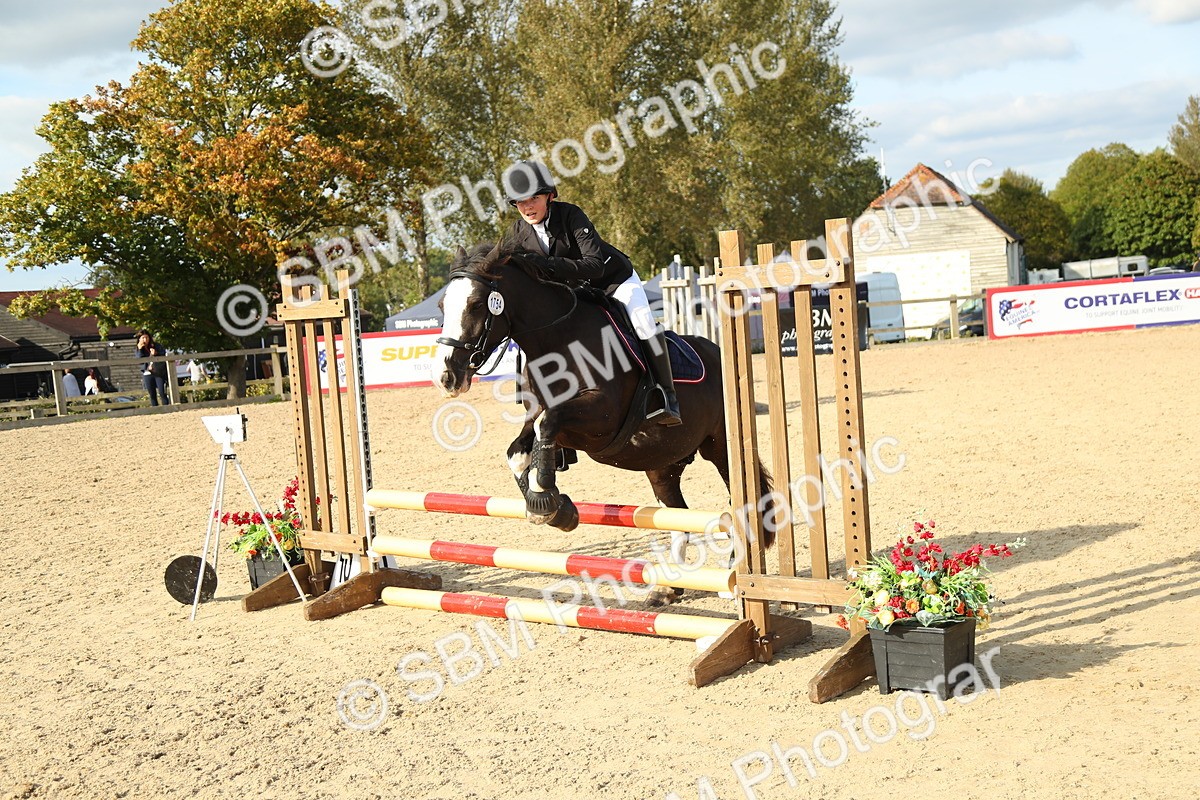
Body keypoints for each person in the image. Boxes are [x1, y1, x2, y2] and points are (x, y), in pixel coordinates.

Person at [503, 160, 680, 426]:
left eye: (534, 199)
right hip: (577, 293)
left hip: (613, 281)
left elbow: (595, 265)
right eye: (520, 202)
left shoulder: (571, 216)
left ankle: (666, 396)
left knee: (643, 324)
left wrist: (548, 264)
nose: (527, 207)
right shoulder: (518, 232)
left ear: (549, 196)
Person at [137, 331, 171, 406]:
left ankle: (167, 408)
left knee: (162, 393)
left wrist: (156, 353)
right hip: (147, 373)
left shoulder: (156, 346)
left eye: (146, 337)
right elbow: (140, 361)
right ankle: (155, 409)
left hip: (158, 372)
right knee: (152, 395)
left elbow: (163, 354)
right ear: (139, 339)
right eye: (143, 338)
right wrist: (140, 350)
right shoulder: (139, 349)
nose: (145, 340)